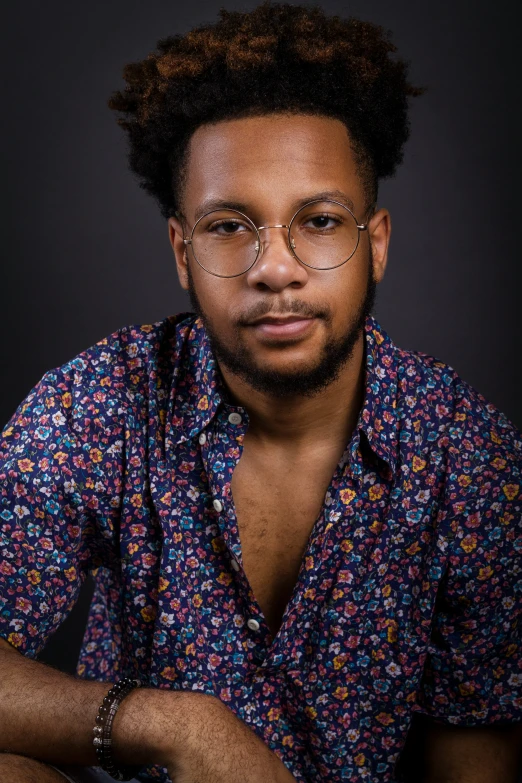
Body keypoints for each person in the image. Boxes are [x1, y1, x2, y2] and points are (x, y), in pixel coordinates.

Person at [0, 2, 521, 782]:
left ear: (373, 243)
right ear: (182, 250)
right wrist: (174, 724)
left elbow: (474, 757)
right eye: (229, 226)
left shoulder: (466, 455)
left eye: (317, 220)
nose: (274, 268)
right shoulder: (97, 408)